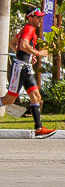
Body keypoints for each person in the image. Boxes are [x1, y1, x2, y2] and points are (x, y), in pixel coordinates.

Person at [2, 9, 54, 138]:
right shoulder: (29, 28)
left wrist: (29, 56)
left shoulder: (26, 29)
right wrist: (38, 53)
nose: (40, 20)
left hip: (27, 67)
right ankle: (39, 128)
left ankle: (39, 129)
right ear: (30, 18)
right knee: (9, 99)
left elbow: (14, 43)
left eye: (41, 17)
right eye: (38, 17)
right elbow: (24, 45)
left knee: (36, 96)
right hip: (20, 68)